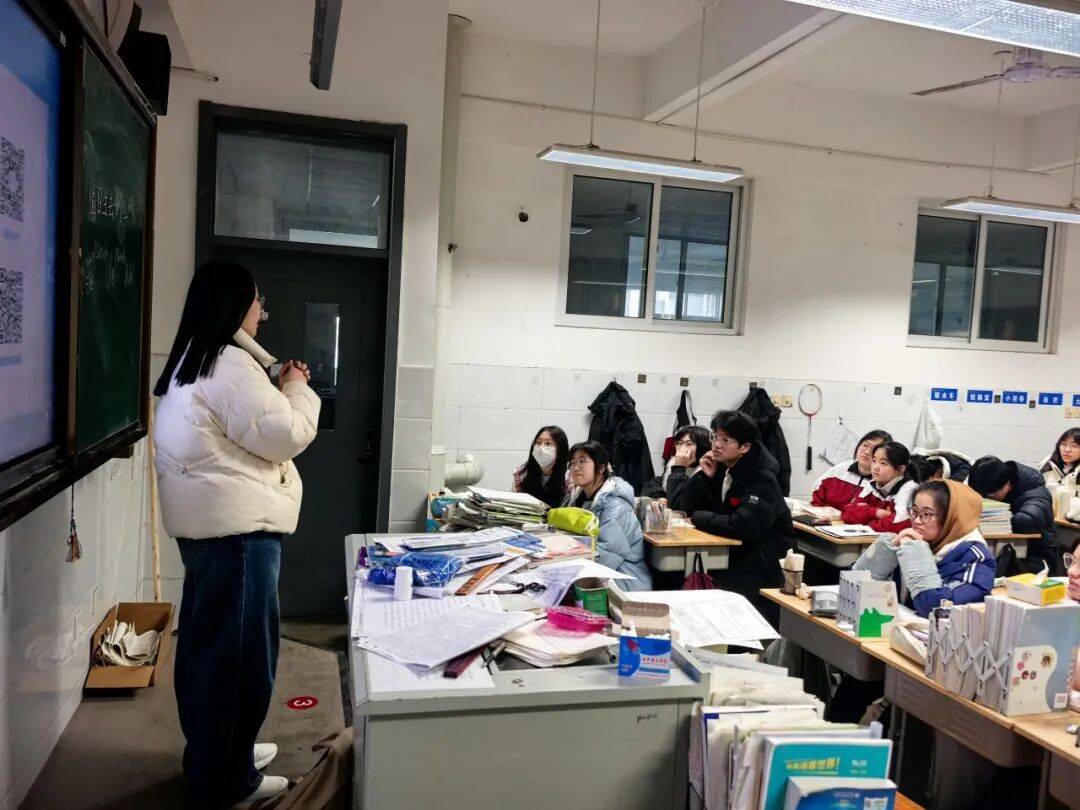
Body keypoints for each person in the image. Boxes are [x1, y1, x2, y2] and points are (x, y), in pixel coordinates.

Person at [153, 261, 321, 806]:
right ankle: (228, 780)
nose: (262, 313)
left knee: (208, 652)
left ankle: (219, 756)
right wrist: (297, 388)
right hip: (239, 537)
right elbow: (286, 433)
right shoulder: (227, 364)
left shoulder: (195, 357)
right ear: (235, 305)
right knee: (240, 659)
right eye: (257, 301)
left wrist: (274, 380)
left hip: (209, 532)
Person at [680, 410, 795, 627]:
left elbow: (742, 526)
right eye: (715, 436)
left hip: (762, 564)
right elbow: (686, 509)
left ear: (745, 447)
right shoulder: (724, 467)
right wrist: (704, 478)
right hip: (733, 554)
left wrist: (698, 518)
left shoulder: (762, 478)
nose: (716, 444)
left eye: (726, 440)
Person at [853, 480, 994, 617]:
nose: (916, 521)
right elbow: (855, 586)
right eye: (914, 511)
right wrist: (889, 549)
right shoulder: (914, 541)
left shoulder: (975, 557)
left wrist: (916, 554)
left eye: (926, 514)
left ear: (952, 518)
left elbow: (934, 608)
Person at [563, 440, 652, 591]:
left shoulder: (616, 505)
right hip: (596, 575)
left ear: (601, 468)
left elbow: (606, 558)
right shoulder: (577, 499)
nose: (576, 467)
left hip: (624, 581)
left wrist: (564, 563)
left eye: (583, 461)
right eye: (572, 462)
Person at [969, 456, 1058, 575]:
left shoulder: (1036, 492)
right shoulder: (995, 479)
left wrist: (996, 519)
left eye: (990, 496)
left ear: (1007, 483)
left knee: (983, 571)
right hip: (1002, 551)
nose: (986, 499)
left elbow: (1029, 521)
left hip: (1035, 557)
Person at [840, 442, 918, 534]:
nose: (875, 467)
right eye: (874, 461)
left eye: (883, 463)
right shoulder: (873, 482)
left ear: (901, 469)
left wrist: (865, 519)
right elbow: (846, 512)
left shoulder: (908, 489)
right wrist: (876, 512)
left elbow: (898, 524)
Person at [811, 429, 892, 510]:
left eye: (875, 449)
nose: (867, 452)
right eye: (865, 445)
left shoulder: (885, 484)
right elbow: (816, 494)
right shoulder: (839, 470)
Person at [641, 425, 712, 512]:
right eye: (679, 443)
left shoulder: (706, 472)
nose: (681, 448)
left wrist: (679, 467)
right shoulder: (672, 464)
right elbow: (651, 485)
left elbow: (678, 506)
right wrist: (660, 497)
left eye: (689, 444)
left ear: (702, 447)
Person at [511, 426, 571, 509]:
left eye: (548, 443)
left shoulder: (569, 479)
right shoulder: (521, 473)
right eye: (538, 442)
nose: (541, 448)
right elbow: (514, 505)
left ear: (560, 449)